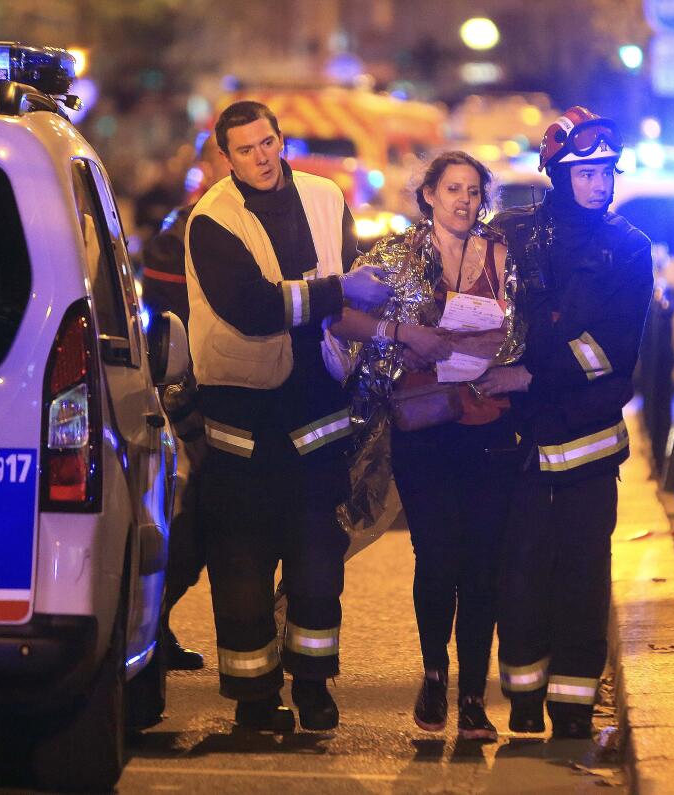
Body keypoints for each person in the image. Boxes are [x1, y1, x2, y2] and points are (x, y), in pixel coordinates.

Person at [185, 100, 449, 733]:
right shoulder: (212, 218)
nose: (261, 157)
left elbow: (348, 290)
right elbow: (252, 307)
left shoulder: (327, 199)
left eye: (268, 143)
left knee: (317, 561)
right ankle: (254, 698)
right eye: (245, 149)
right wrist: (341, 292)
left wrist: (391, 327)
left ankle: (313, 686)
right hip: (242, 420)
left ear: (282, 139)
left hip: (316, 408)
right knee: (242, 562)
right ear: (226, 156)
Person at [482, 106, 653, 739]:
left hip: (586, 443)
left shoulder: (630, 249)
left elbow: (612, 351)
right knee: (519, 572)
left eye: (605, 171)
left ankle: (574, 707)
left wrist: (529, 372)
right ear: (558, 173)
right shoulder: (514, 236)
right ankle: (524, 697)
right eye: (584, 173)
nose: (598, 183)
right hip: (520, 444)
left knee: (582, 579)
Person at [350, 151, 525, 740]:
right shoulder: (397, 256)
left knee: (481, 562)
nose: (464, 201)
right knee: (437, 556)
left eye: (473, 192)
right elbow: (347, 320)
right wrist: (404, 336)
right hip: (423, 426)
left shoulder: (505, 255)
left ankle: (473, 695)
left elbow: (527, 330)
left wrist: (508, 361)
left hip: (489, 426)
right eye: (453, 189)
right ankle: (433, 674)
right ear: (428, 194)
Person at [140, 137, 233, 672]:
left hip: (236, 402)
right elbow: (171, 340)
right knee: (186, 529)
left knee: (202, 530)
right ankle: (154, 627)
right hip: (188, 406)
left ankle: (157, 626)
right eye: (230, 156)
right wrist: (189, 422)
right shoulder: (178, 240)